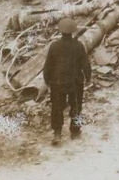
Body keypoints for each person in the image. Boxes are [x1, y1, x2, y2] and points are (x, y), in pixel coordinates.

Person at [43, 17, 91, 145]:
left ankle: (57, 133)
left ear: (60, 31)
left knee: (57, 108)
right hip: (75, 83)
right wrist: (88, 78)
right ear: (73, 31)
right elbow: (86, 64)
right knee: (77, 106)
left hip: (57, 83)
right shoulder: (79, 46)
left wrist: (47, 80)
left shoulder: (54, 46)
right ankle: (75, 131)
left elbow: (48, 66)